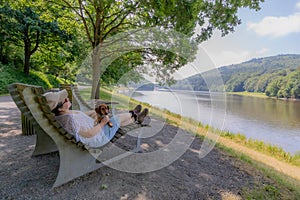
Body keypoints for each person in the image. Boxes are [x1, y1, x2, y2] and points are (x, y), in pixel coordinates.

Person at [43, 89, 148, 148]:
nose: (67, 98)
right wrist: (102, 123)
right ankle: (133, 114)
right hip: (98, 137)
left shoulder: (63, 114)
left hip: (96, 128)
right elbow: (88, 134)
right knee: (117, 118)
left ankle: (136, 118)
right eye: (64, 100)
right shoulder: (68, 120)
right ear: (60, 108)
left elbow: (80, 116)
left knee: (116, 122)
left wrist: (93, 113)